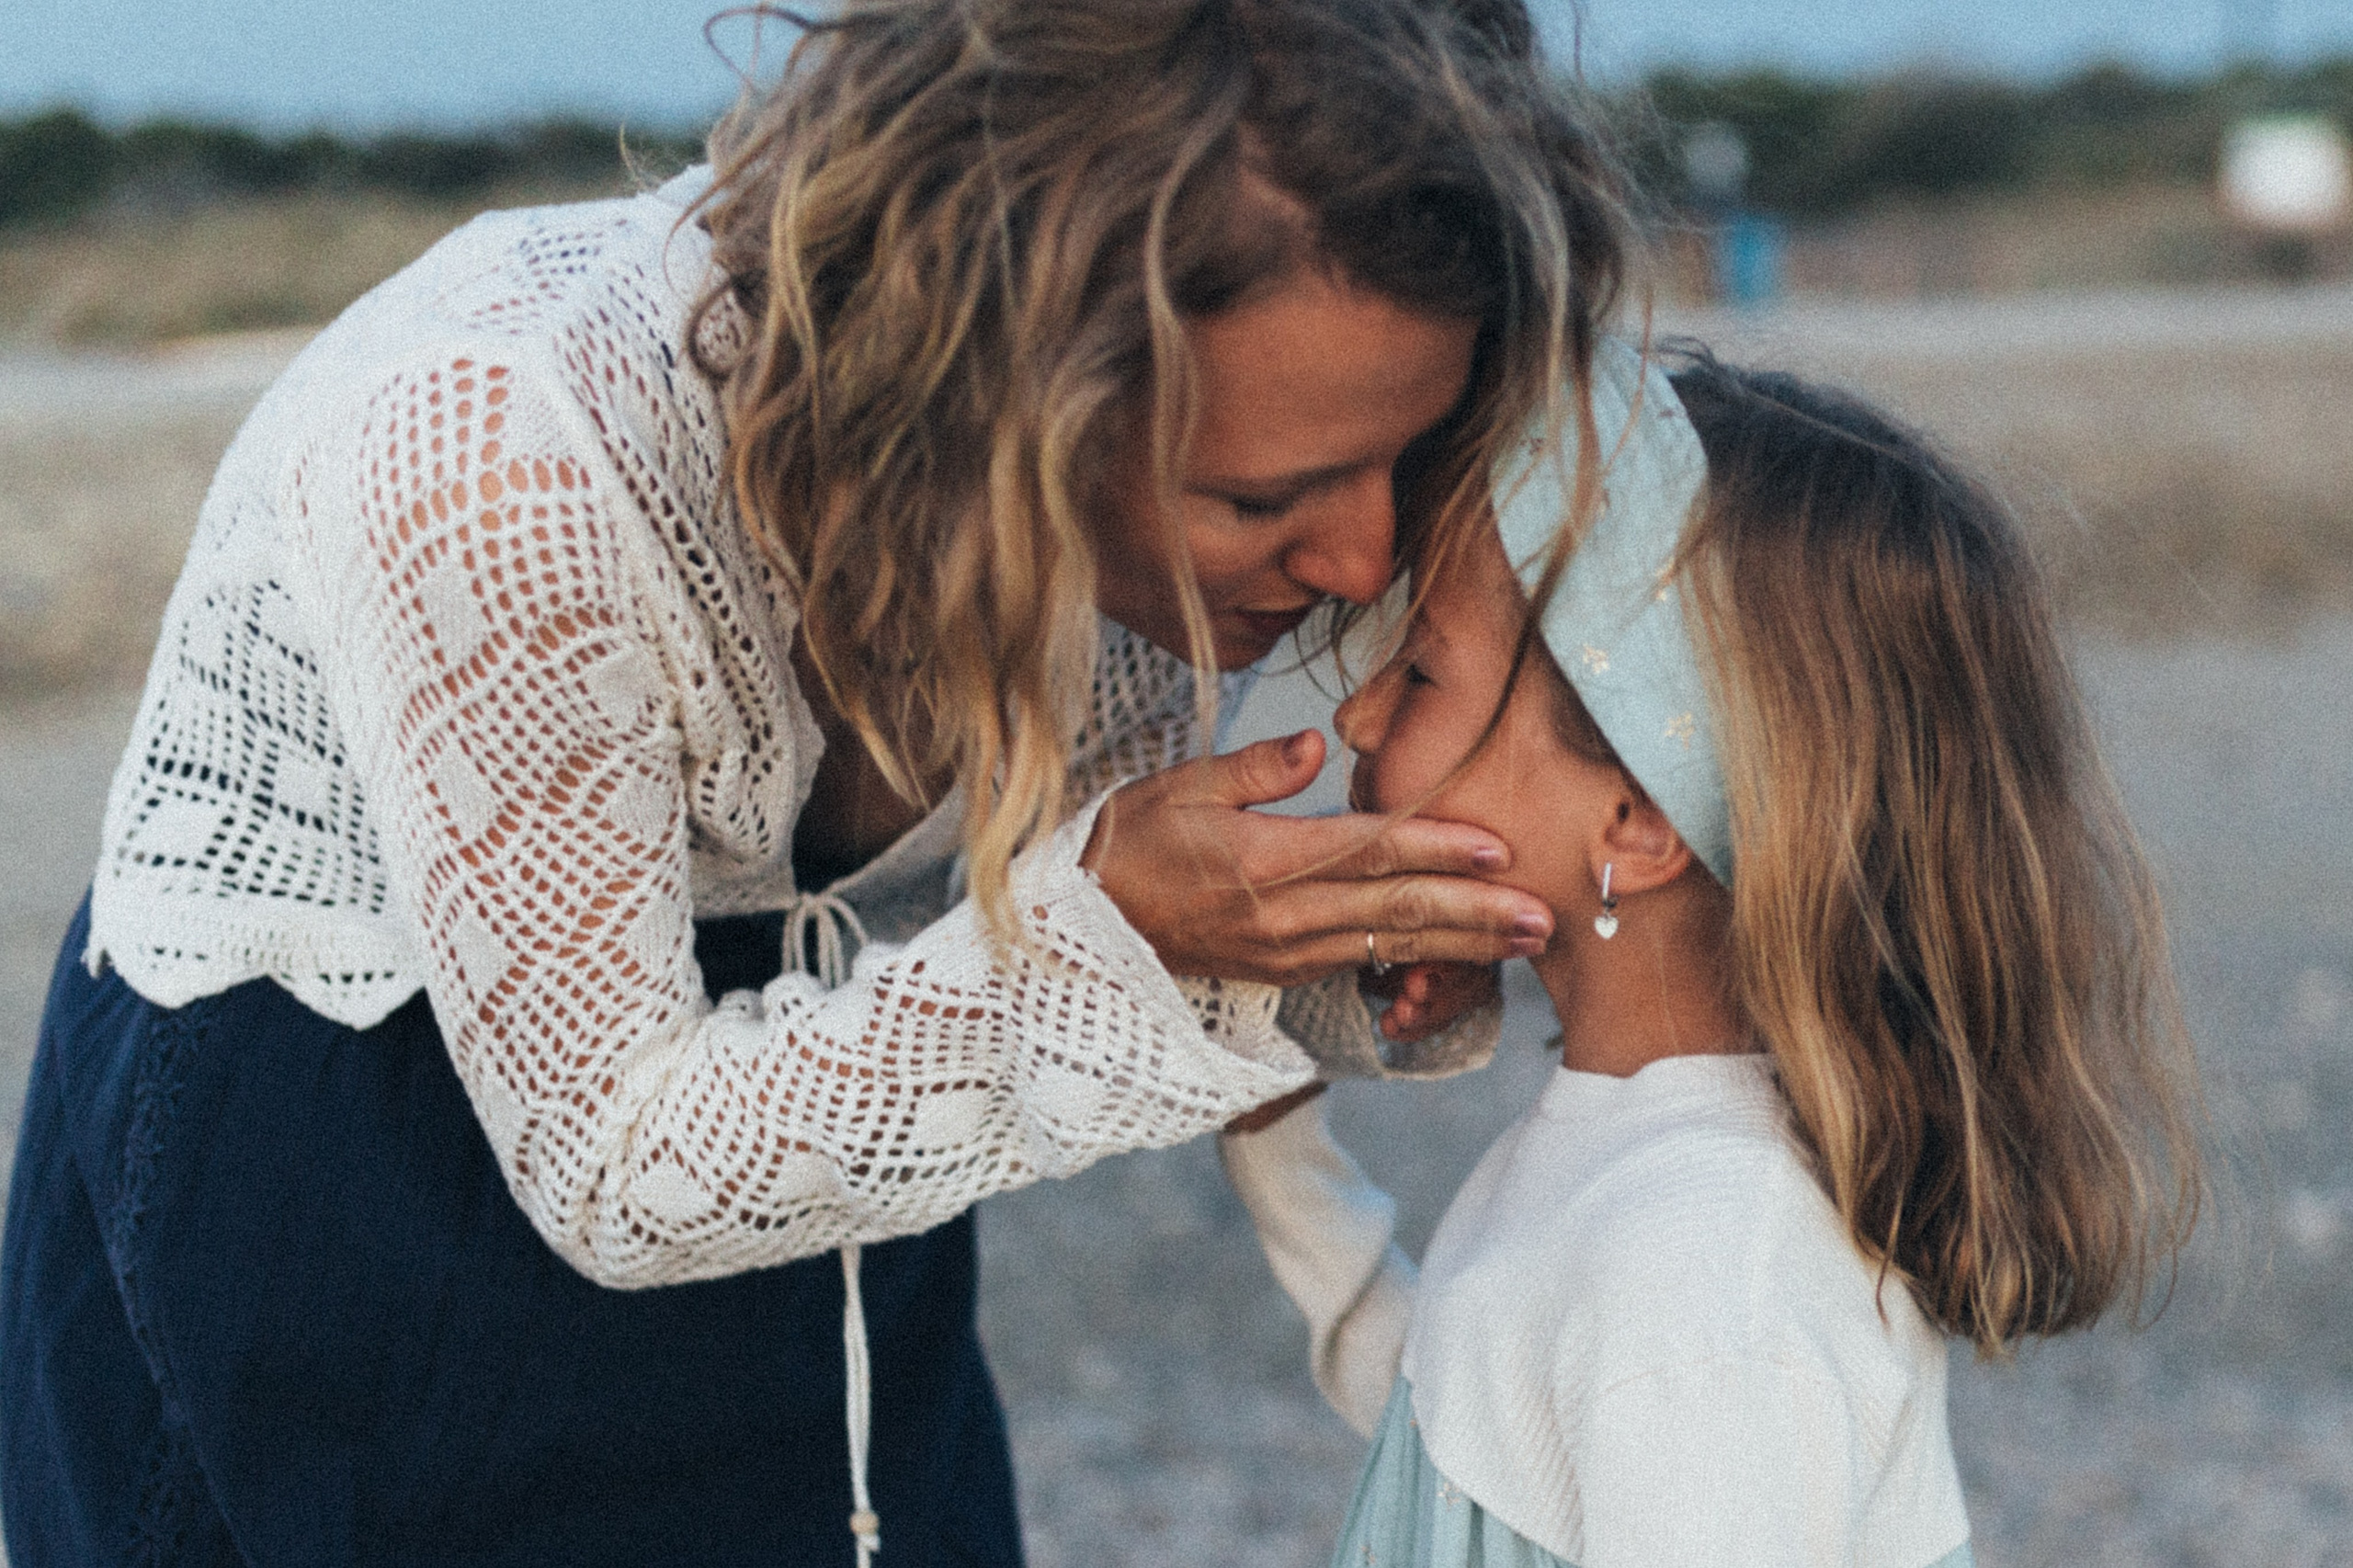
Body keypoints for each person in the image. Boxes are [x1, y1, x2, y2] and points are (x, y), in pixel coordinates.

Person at [0, 2, 1643, 1563]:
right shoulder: (494, 462)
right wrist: (1119, 934)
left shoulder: (1207, 429)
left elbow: (1070, 937)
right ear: (985, 396)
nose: (1361, 551)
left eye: (1402, 459)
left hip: (842, 1064)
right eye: (1266, 495)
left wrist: (1329, 947)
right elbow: (624, 1166)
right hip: (357, 1136)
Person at [1222, 344, 2205, 1567]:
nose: (1358, 714)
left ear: (1633, 822)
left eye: (1419, 670)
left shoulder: (1703, 1269)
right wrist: (1267, 1113)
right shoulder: (1636, 1170)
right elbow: (1456, 1453)